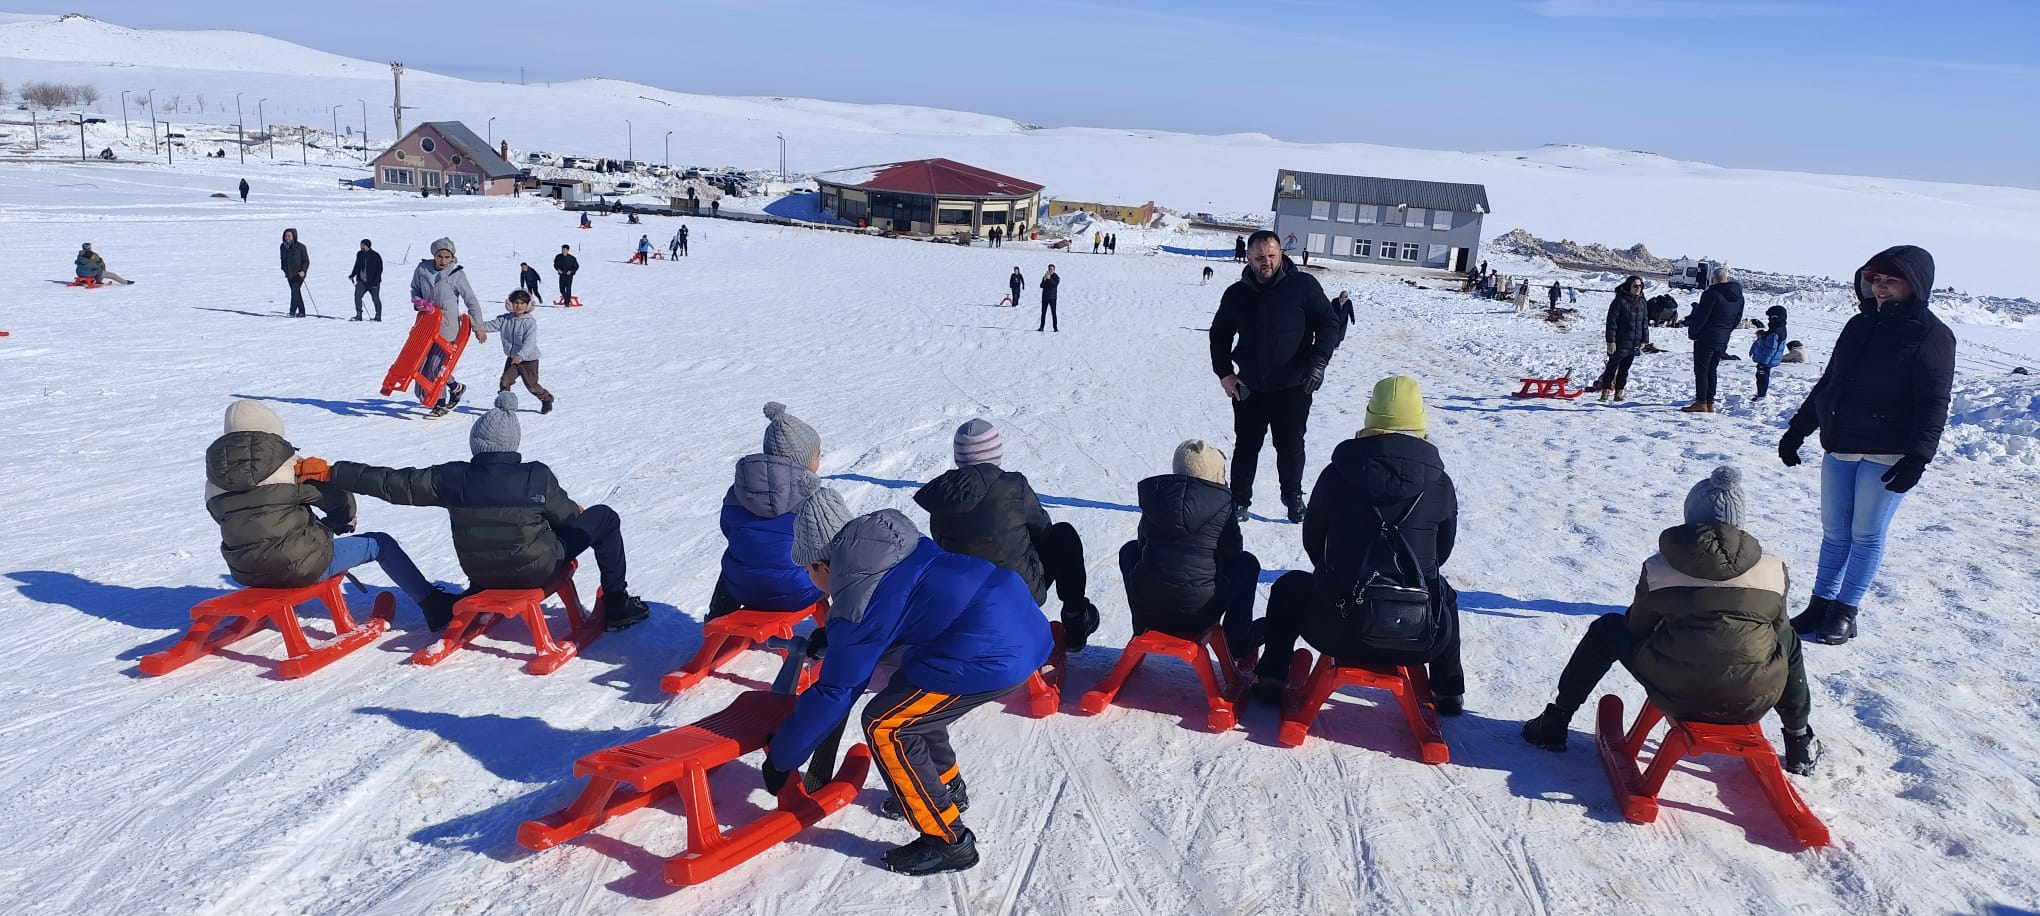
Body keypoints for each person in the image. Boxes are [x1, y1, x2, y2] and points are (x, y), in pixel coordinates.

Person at [763, 489, 1053, 876]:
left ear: (822, 564)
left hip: (991, 653)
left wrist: (782, 759)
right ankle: (945, 787)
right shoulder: (894, 549)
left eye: (808, 572)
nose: (812, 581)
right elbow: (902, 609)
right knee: (910, 698)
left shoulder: (858, 597)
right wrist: (835, 638)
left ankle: (948, 842)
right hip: (1020, 628)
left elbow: (836, 691)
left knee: (887, 724)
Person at [1519, 466, 1820, 774]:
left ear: (1689, 516)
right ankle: (1798, 740)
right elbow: (1780, 632)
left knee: (1606, 629)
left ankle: (1556, 721)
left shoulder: (1660, 568)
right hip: (1753, 698)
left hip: (1676, 692)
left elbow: (1636, 628)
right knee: (1788, 640)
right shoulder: (1772, 571)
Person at [305, 391, 653, 629]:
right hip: (537, 571)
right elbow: (572, 521)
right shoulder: (535, 475)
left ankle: (476, 591)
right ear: (513, 443)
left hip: (482, 573)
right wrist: (568, 514)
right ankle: (617, 605)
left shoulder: (453, 477)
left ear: (477, 444)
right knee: (602, 516)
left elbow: (392, 483)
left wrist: (334, 472)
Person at [1246, 376, 1464, 714]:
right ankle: (1449, 690)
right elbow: (1441, 554)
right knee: (1443, 592)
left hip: (1336, 627)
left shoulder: (1337, 473)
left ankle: (1272, 677)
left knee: (1290, 586)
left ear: (1370, 417)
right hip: (1414, 635)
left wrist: (1338, 572)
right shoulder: (1440, 484)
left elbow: (1314, 542)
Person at [1778, 245, 1955, 646]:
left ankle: (1846, 610)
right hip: (1841, 444)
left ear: (1916, 284)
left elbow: (1934, 402)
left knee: (1866, 534)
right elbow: (1830, 382)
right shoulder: (1858, 326)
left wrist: (1918, 458)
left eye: (1892, 280)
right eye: (1875, 279)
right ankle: (1821, 604)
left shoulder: (1933, 335)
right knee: (1834, 532)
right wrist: (1798, 429)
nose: (1881, 288)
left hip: (1889, 451)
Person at [204, 400, 459, 629]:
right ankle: (432, 604)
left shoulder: (214, 481)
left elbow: (224, 518)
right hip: (299, 567)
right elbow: (335, 498)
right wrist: (340, 522)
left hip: (245, 570)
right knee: (380, 544)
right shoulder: (289, 466)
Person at [914, 419, 1100, 650]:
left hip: (962, 598)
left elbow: (941, 544)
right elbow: (1043, 531)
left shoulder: (943, 495)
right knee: (1064, 536)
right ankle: (1075, 619)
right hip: (1016, 592)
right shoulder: (1014, 486)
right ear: (996, 453)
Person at [1209, 230, 1340, 524]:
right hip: (1249, 388)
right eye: (1258, 257)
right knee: (1246, 447)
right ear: (1249, 258)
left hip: (1294, 387)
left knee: (1291, 447)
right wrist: (1225, 374)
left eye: (1271, 255)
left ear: (1281, 254)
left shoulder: (1303, 286)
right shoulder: (1236, 294)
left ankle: (1293, 496)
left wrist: (1318, 362)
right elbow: (1219, 335)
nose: (1265, 262)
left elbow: (1329, 323)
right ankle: (1239, 501)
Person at [1119, 440, 1260, 662]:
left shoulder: (1158, 497)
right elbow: (1234, 551)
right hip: (1199, 613)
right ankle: (1238, 641)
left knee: (1129, 551)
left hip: (1148, 606)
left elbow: (1141, 543)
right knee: (1247, 564)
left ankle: (1141, 626)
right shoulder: (1222, 503)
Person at [708, 402, 826, 621]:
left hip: (742, 589)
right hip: (798, 592)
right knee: (834, 567)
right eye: (817, 454)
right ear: (804, 460)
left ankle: (718, 615)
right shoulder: (813, 496)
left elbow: (728, 529)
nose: (820, 458)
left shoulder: (739, 491)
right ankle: (841, 627)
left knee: (737, 559)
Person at [411, 237, 488, 418]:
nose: (443, 260)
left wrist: (479, 327)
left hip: (447, 328)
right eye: (440, 256)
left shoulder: (456, 275)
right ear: (434, 255)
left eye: (447, 257)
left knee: (437, 367)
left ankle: (440, 404)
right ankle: (455, 387)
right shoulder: (422, 269)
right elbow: (415, 289)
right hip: (426, 325)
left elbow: (471, 301)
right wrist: (418, 302)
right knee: (423, 365)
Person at [1683, 265, 1744, 412]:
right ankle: (1709, 402)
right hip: (1722, 339)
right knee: (1712, 369)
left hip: (1706, 338)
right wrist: (1726, 331)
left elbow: (1702, 317)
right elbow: (1737, 319)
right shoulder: (1738, 296)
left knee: (1701, 370)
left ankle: (1701, 402)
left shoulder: (1711, 293)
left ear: (1713, 279)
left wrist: (1693, 332)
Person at [483, 289, 554, 414]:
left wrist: (520, 356)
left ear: (528, 306)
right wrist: (471, 322)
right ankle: (505, 407)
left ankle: (547, 398)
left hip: (529, 360)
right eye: (516, 303)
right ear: (510, 304)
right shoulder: (505, 319)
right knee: (505, 381)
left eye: (522, 303)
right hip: (513, 359)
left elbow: (530, 343)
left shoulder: (529, 323)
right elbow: (488, 326)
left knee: (532, 386)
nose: (519, 306)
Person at [1596, 276, 1649, 403]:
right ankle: (1605, 391)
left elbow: (1644, 322)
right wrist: (1610, 341)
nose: (1638, 288)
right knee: (1612, 368)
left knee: (1625, 369)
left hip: (1634, 342)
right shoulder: (1619, 301)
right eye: (1635, 286)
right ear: (1629, 286)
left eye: (1640, 286)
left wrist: (1644, 340)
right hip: (1620, 341)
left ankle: (1619, 392)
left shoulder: (1642, 302)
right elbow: (1611, 322)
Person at [1749, 305, 1788, 401]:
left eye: (1770, 317)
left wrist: (1763, 362)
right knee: (1762, 376)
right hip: (1769, 359)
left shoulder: (1774, 332)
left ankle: (1761, 395)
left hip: (1767, 360)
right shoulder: (1779, 327)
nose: (1768, 320)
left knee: (1762, 376)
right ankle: (1761, 394)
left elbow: (1771, 348)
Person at [349, 239, 385, 322]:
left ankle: (378, 316)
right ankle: (359, 315)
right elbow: (357, 266)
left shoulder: (375, 255)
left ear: (368, 246)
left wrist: (375, 282)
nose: (362, 247)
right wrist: (352, 275)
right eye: (361, 245)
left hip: (373, 282)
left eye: (363, 245)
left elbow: (379, 270)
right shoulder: (359, 254)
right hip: (362, 281)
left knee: (375, 298)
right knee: (357, 296)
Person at [279, 228, 310, 318]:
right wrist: (284, 269)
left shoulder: (301, 247)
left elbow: (306, 261)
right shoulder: (282, 247)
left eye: (289, 236)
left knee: (295, 291)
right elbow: (282, 259)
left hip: (299, 274)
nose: (287, 238)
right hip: (289, 274)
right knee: (296, 292)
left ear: (294, 236)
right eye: (286, 236)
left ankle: (292, 311)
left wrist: (303, 271)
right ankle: (302, 312)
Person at [1037, 264, 1061, 331]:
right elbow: (1041, 286)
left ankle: (1055, 328)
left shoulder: (1056, 277)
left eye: (1052, 269)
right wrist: (1044, 279)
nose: (1051, 270)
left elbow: (1054, 285)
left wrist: (1049, 278)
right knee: (1043, 313)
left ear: (1054, 270)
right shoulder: (1045, 276)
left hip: (1052, 298)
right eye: (1050, 269)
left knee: (1053, 313)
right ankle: (1041, 327)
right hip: (1045, 297)